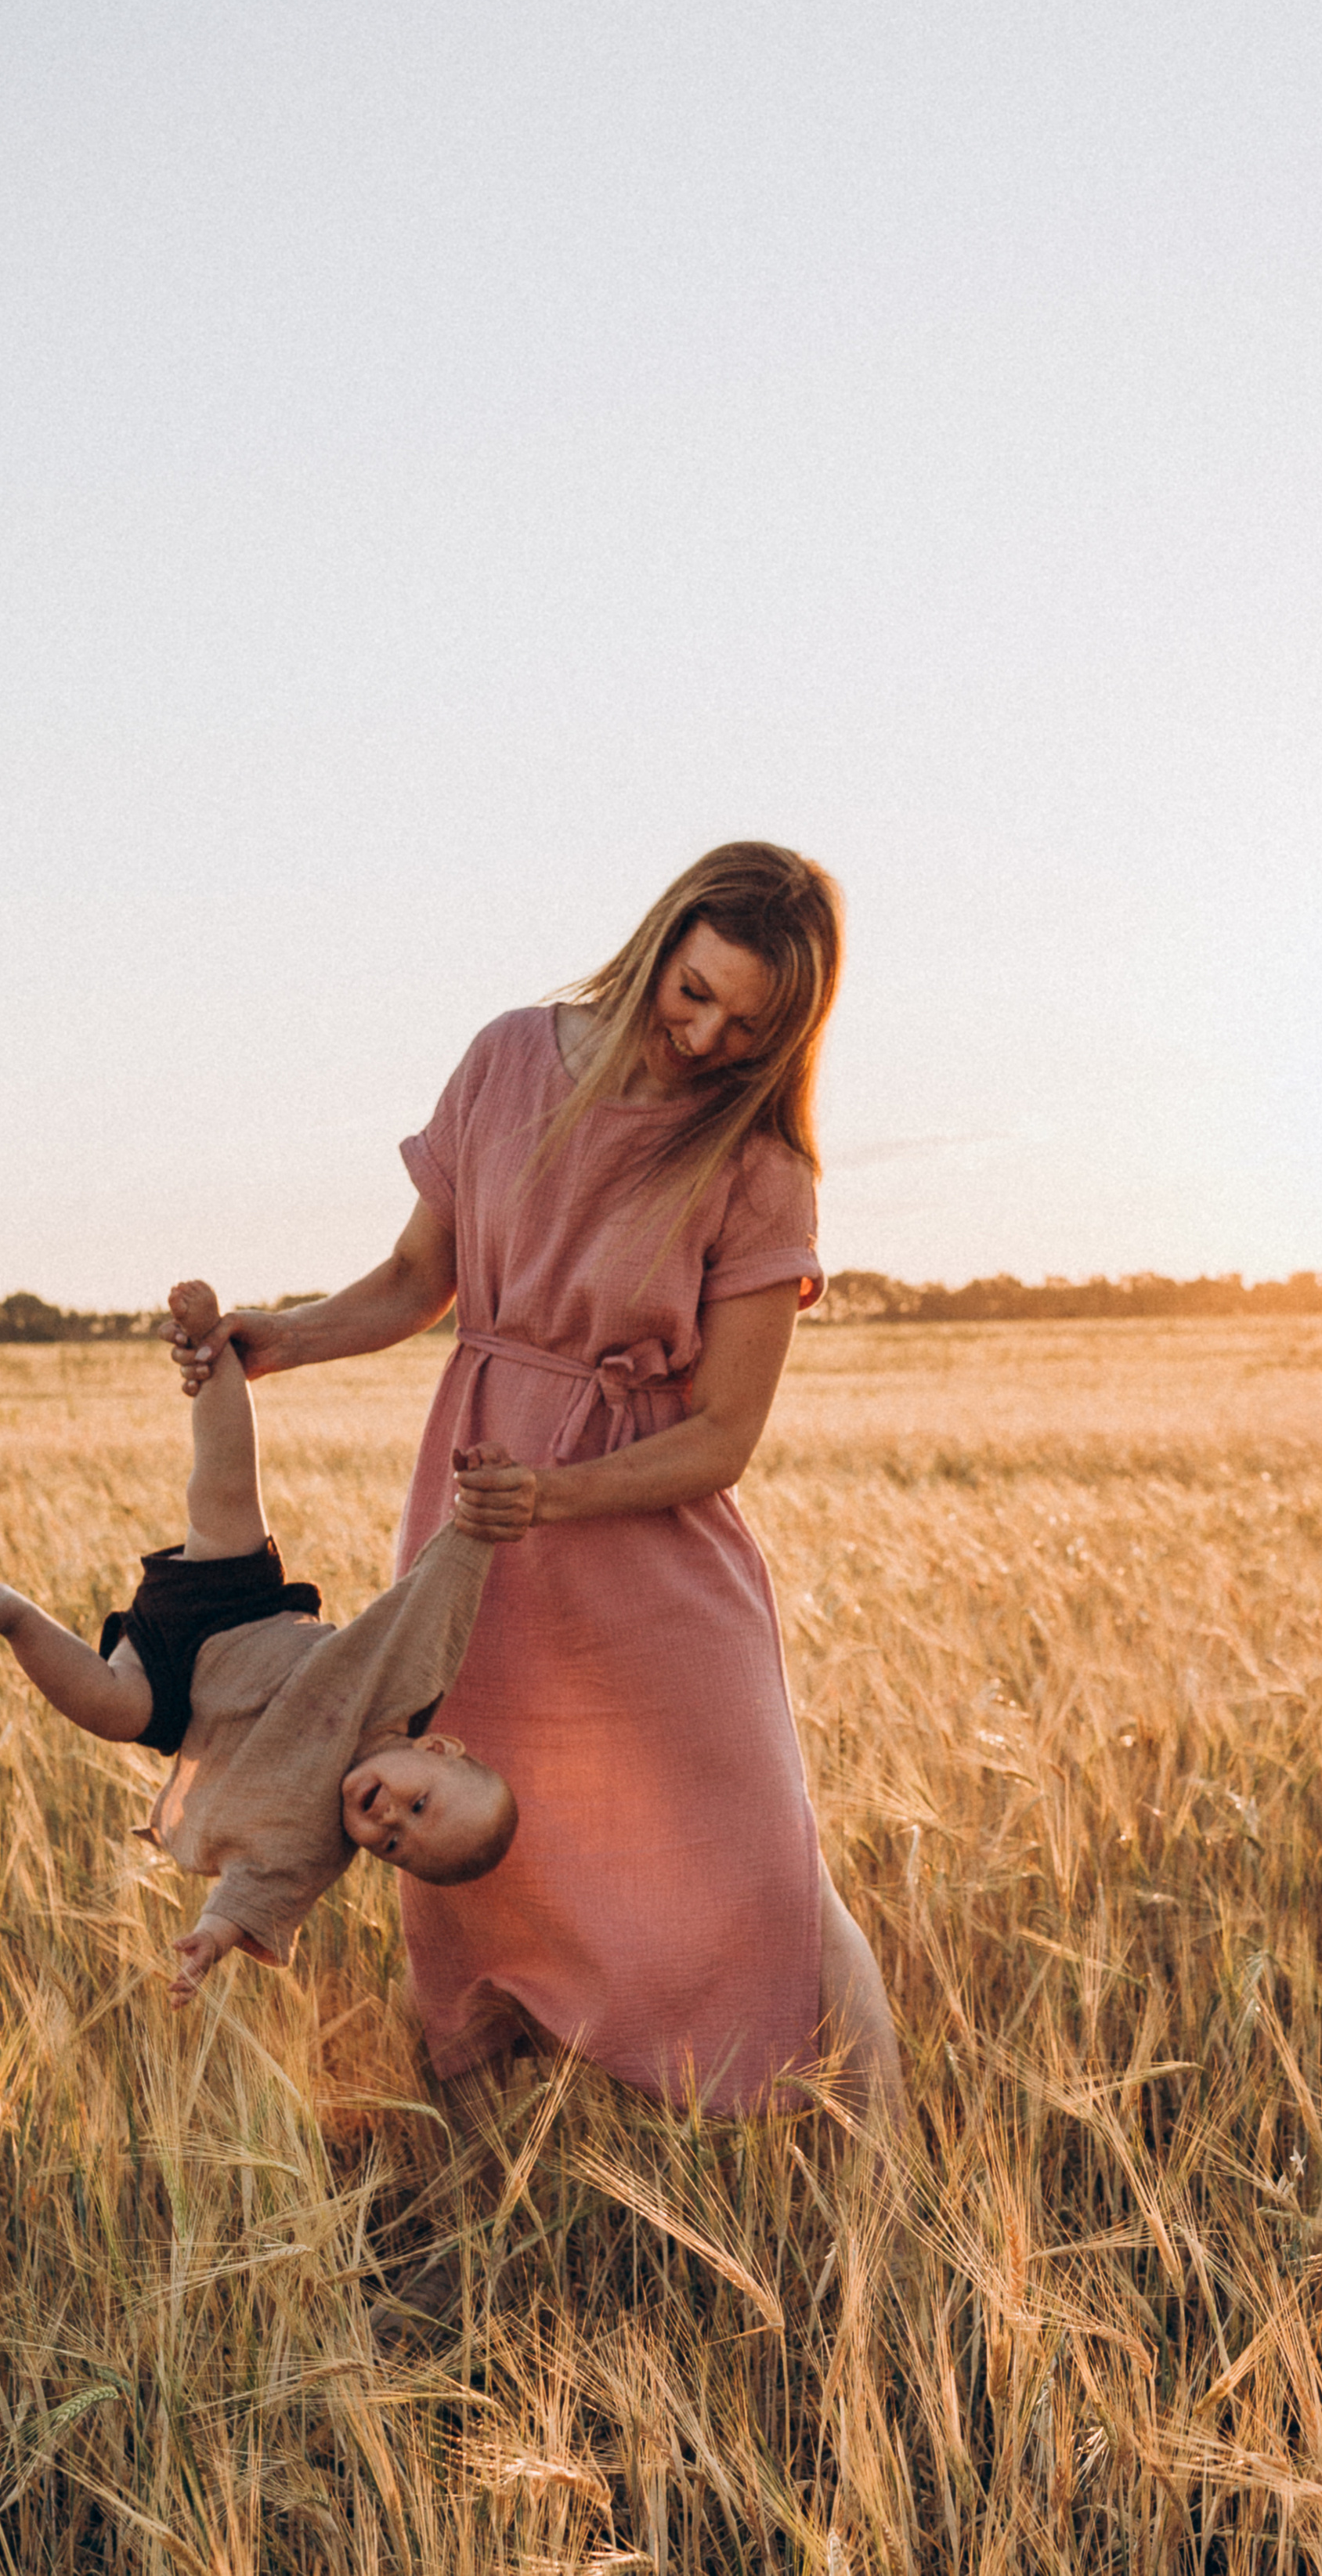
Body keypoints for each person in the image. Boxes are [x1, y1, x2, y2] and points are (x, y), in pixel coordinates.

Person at [171, 843, 902, 2118]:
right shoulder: (509, 1058)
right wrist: (279, 1338)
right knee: (467, 1870)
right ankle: (490, 2194)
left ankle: (886, 2165)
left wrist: (555, 1497)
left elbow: (724, 1434)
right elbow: (417, 1281)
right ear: (659, 942)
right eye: (694, 992)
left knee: (761, 1866)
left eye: (749, 1025)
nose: (707, 1036)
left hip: (642, 1547)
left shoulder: (760, 1164)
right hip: (473, 1541)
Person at [0, 1279, 518, 2006]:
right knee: (223, 1489)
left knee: (111, 1710)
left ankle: (15, 1614)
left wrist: (211, 1939)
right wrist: (476, 1520)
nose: (387, 1821)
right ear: (437, 1750)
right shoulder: (396, 1686)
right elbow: (437, 1604)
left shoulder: (317, 1844)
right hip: (236, 1608)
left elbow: (258, 1889)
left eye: (394, 1848)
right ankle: (212, 1347)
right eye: (419, 1806)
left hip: (170, 1689)